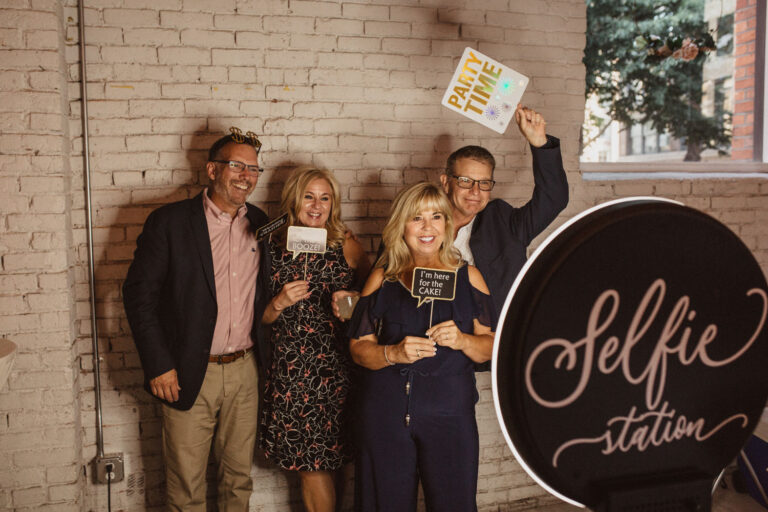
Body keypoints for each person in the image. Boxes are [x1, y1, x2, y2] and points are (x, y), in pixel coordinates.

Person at [123, 131, 269, 511]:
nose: (246, 176)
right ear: (212, 170)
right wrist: (159, 364)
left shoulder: (261, 223)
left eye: (254, 169)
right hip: (187, 370)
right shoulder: (170, 222)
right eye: (236, 165)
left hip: (245, 371)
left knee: (239, 482)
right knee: (185, 488)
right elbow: (139, 297)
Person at [348, 182, 495, 512]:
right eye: (417, 218)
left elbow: (490, 347)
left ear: (447, 224)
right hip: (386, 415)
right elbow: (358, 347)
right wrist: (392, 353)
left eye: (436, 217)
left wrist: (463, 340)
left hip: (451, 417)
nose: (428, 227)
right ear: (401, 225)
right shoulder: (383, 277)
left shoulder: (469, 277)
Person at [259, 167, 371, 512]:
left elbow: (373, 301)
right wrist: (279, 302)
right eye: (308, 196)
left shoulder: (345, 243)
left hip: (337, 368)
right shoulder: (271, 245)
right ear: (294, 199)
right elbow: (254, 318)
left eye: (325, 198)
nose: (317, 205)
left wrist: (351, 303)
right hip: (293, 370)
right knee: (311, 463)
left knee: (334, 458)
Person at [440, 104, 569, 321]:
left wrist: (540, 143)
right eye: (465, 181)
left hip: (493, 336)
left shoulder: (504, 222)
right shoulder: (418, 222)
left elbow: (553, 198)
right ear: (446, 183)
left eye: (484, 183)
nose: (475, 191)